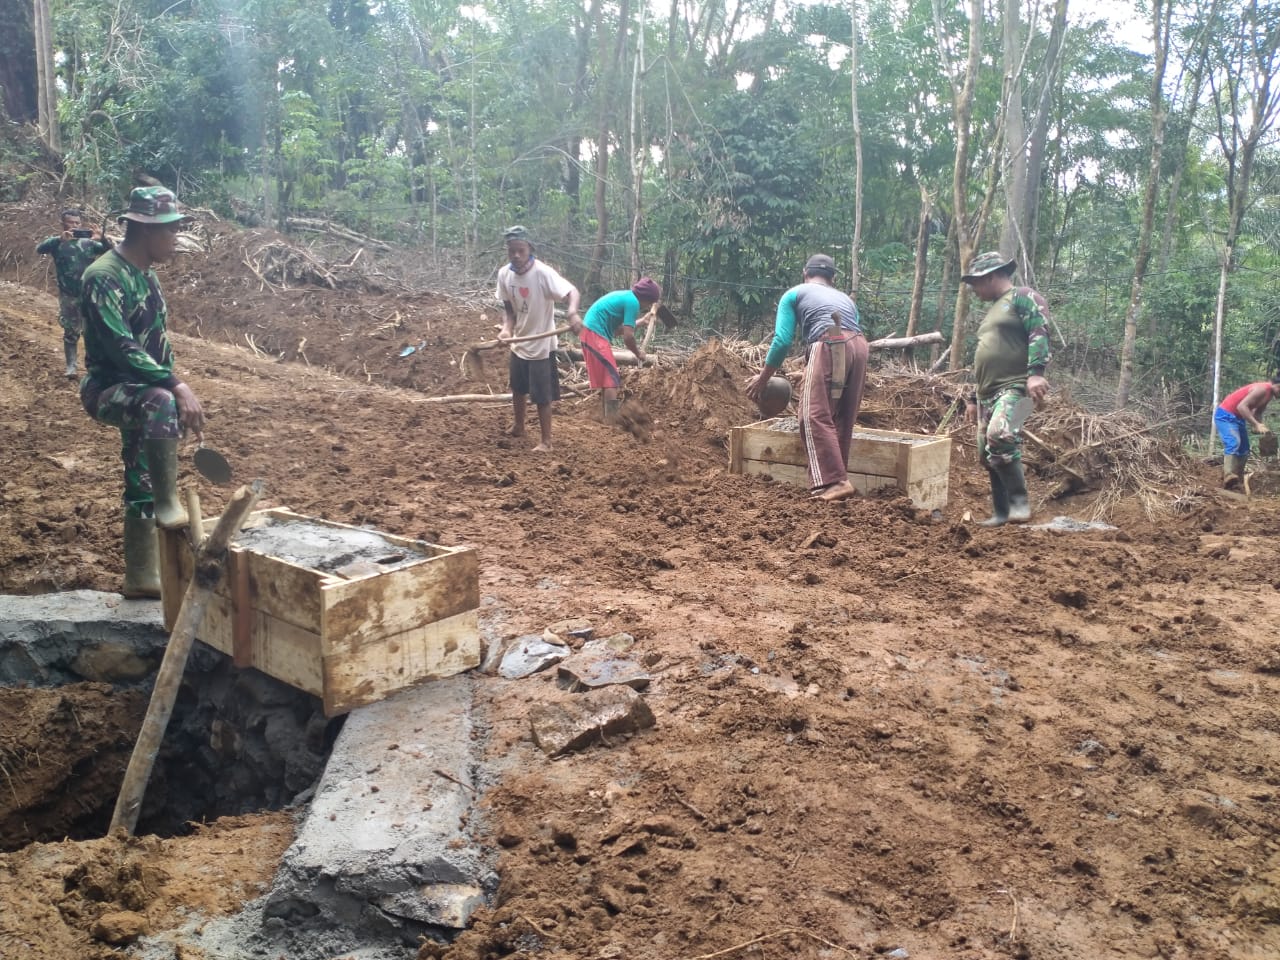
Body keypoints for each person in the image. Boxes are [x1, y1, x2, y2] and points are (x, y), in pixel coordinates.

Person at [79, 186, 205, 598]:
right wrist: (175, 385)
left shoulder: (145, 275)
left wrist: (174, 388)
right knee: (160, 401)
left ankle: (141, 577)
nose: (175, 239)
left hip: (140, 389)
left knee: (140, 474)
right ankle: (168, 503)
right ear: (143, 230)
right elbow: (121, 347)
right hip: (107, 389)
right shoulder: (104, 276)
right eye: (169, 231)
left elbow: (156, 342)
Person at [745, 254, 868, 502]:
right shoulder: (845, 300)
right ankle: (835, 482)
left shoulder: (795, 294)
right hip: (860, 347)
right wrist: (813, 368)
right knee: (840, 415)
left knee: (812, 414)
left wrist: (762, 378)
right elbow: (844, 337)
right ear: (832, 278)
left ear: (805, 273)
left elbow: (781, 341)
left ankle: (837, 481)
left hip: (830, 342)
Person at [960, 251, 1051, 526]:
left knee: (1000, 436)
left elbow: (1039, 331)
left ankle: (1020, 506)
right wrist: (973, 398)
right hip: (987, 394)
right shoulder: (993, 311)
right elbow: (983, 356)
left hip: (1018, 390)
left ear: (990, 276)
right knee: (985, 453)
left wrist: (1036, 374)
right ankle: (1001, 513)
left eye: (975, 282)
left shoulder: (1023, 296)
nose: (973, 289)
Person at [495, 225, 581, 452]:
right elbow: (509, 310)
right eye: (512, 251)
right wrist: (506, 329)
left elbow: (572, 292)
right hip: (519, 342)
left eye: (520, 250)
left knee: (542, 395)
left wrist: (572, 313)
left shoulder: (543, 274)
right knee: (517, 387)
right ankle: (519, 426)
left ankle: (546, 441)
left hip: (541, 345)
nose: (516, 256)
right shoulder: (504, 274)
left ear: (530, 249)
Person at [35, 208, 112, 378]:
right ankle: (71, 366)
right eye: (71, 222)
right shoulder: (57, 243)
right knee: (71, 332)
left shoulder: (89, 244)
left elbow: (111, 252)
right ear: (63, 224)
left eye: (77, 223)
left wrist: (102, 238)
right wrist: (58, 239)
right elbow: (39, 249)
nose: (75, 226)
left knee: (93, 331)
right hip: (68, 295)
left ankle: (94, 367)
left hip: (90, 294)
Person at [573, 278, 661, 422]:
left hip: (591, 332)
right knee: (611, 377)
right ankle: (612, 419)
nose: (648, 306)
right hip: (594, 334)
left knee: (607, 377)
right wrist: (638, 353)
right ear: (646, 299)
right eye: (650, 303)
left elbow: (618, 330)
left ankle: (607, 416)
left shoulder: (627, 297)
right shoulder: (632, 302)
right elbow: (628, 337)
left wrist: (642, 321)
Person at [1214, 378, 1279, 489]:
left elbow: (1257, 413)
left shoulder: (1268, 395)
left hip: (1238, 418)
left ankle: (1236, 479)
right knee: (1234, 442)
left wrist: (1263, 428)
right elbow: (1241, 406)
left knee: (1244, 449)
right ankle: (1228, 475)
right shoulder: (1262, 389)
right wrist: (1255, 424)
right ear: (1277, 385)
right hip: (1226, 416)